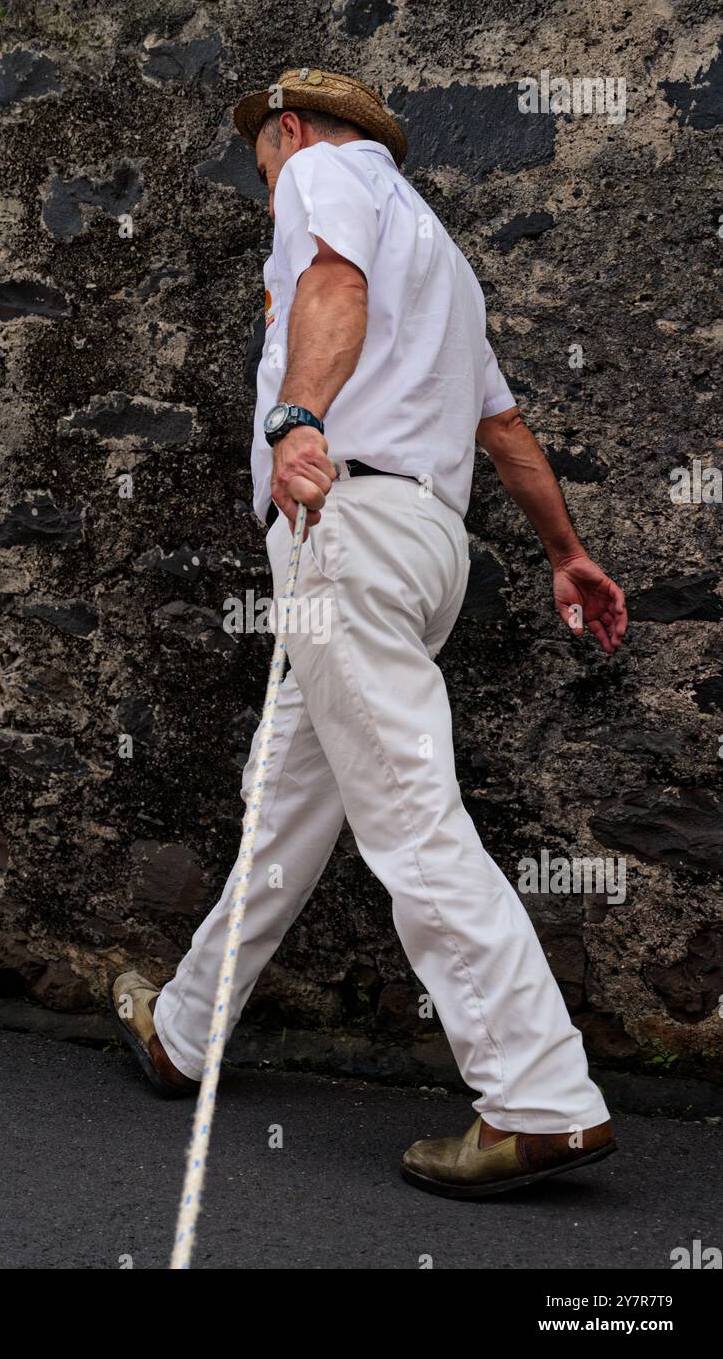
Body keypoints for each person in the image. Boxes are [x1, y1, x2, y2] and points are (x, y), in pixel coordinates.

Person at [112, 68, 628, 1199]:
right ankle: (184, 1030)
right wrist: (562, 550)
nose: (269, 196)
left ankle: (537, 1097)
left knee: (407, 812)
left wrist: (297, 416)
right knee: (285, 807)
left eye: (264, 168)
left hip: (343, 527)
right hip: (423, 546)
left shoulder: (325, 177)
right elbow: (500, 425)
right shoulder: (441, 253)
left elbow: (330, 284)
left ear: (291, 130)